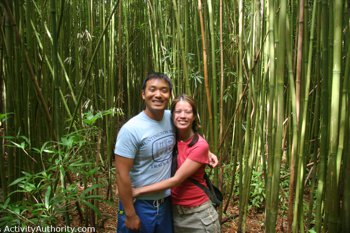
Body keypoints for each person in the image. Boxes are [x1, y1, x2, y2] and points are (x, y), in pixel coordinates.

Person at [114, 73, 217, 233]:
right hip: (139, 203)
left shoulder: (171, 117)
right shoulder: (130, 130)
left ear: (169, 95)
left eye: (164, 90)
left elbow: (189, 130)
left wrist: (206, 150)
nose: (158, 94)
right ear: (143, 94)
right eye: (152, 89)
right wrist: (130, 214)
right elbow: (121, 175)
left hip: (166, 204)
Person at [132, 94, 221, 233]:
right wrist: (208, 153)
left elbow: (176, 180)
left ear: (194, 116)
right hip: (172, 213)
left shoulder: (199, 145)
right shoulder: (170, 135)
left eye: (188, 112)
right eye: (178, 111)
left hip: (198, 216)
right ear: (171, 115)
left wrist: (137, 191)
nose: (183, 115)